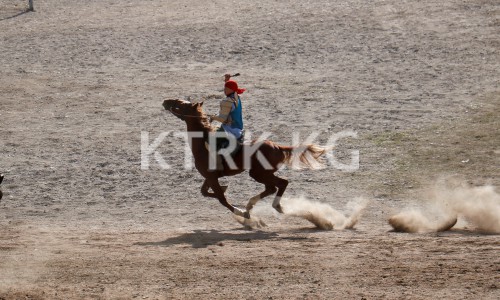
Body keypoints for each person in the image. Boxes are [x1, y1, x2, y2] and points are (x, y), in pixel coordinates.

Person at [209, 75, 246, 149]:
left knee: (210, 142)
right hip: (239, 128)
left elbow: (222, 119)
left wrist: (212, 117)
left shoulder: (227, 101)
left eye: (226, 88)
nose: (224, 90)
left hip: (230, 129)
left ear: (231, 89)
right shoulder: (236, 96)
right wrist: (227, 80)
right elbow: (231, 88)